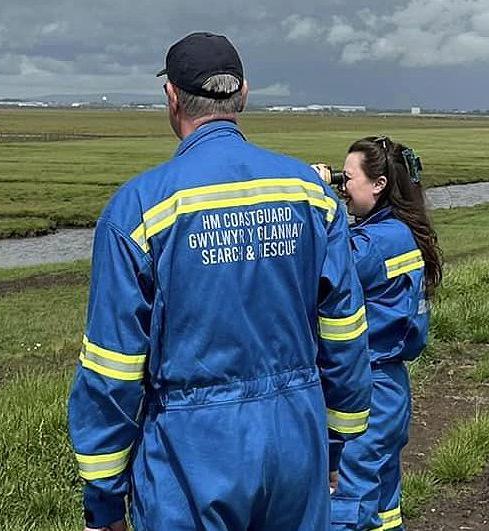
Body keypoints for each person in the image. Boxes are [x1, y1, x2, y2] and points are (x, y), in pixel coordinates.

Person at [67, 32, 373, 531]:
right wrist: (336, 443)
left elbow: (113, 366)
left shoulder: (140, 210)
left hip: (191, 451)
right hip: (297, 435)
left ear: (171, 98)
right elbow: (344, 330)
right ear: (244, 93)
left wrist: (103, 500)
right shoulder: (311, 195)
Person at [319, 137, 441, 530]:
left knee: (348, 505)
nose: (342, 186)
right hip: (389, 386)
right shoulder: (400, 232)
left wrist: (318, 201)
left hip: (366, 385)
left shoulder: (376, 242)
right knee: (382, 503)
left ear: (379, 184)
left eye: (347, 178)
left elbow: (325, 270)